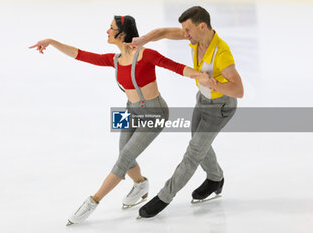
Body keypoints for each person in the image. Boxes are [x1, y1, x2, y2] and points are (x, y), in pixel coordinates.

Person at [29, 15, 210, 224]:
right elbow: (81, 55)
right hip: (129, 110)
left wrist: (199, 75)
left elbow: (175, 67)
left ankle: (93, 201)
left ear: (122, 34)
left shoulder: (147, 54)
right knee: (123, 152)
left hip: (155, 112)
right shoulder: (114, 60)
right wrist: (51, 42)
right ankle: (141, 184)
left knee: (124, 157)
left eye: (111, 28)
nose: (107, 31)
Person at [125, 6, 244, 218]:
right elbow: (162, 33)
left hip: (220, 107)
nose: (184, 34)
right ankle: (215, 178)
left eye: (187, 30)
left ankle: (163, 197)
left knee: (193, 153)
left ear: (202, 26)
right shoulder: (196, 38)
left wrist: (216, 86)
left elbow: (238, 90)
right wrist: (143, 40)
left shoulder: (222, 54)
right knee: (198, 143)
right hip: (202, 100)